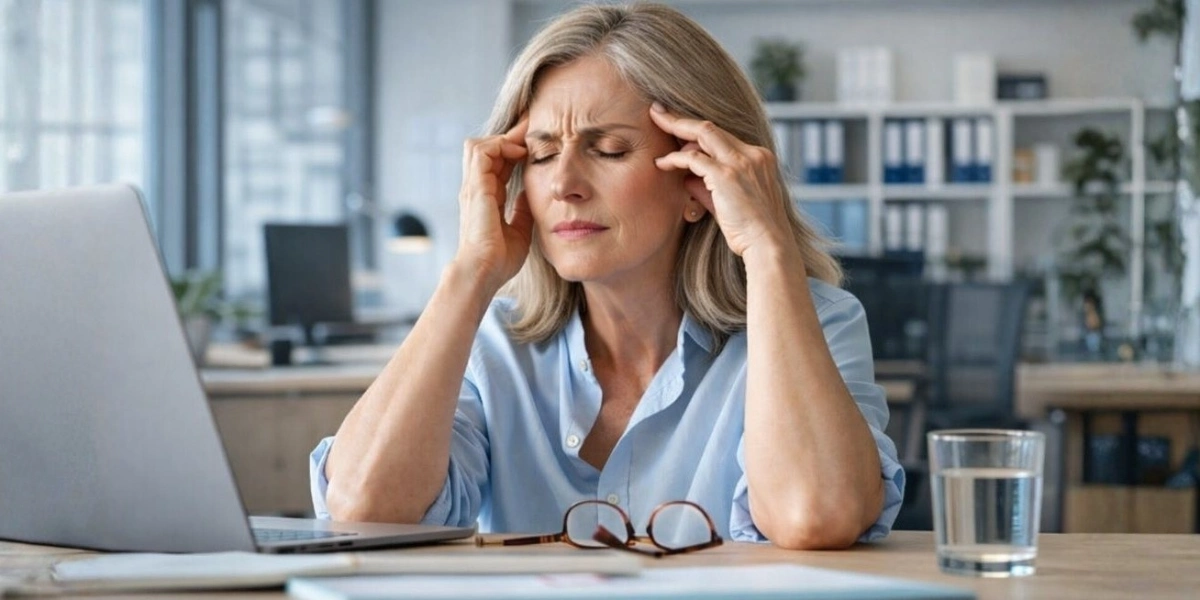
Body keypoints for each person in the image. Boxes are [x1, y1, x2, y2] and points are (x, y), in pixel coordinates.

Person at [311, 2, 903, 550]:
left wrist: (767, 248)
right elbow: (364, 508)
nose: (563, 183)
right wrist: (470, 273)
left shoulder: (817, 321)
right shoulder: (492, 344)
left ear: (701, 182)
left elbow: (817, 515)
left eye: (610, 150)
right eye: (541, 155)